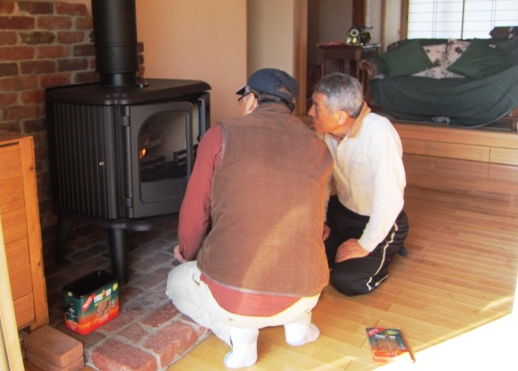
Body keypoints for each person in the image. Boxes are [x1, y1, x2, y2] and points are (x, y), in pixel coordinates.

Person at [166, 68, 333, 369]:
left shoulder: (220, 135)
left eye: (242, 99)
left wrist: (187, 252)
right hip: (307, 292)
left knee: (174, 284)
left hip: (235, 299)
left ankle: (236, 334)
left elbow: (196, 208)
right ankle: (299, 327)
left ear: (252, 100)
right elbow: (318, 221)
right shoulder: (319, 147)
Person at [308, 72, 409, 296]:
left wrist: (366, 244)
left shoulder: (379, 133)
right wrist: (321, 219)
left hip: (379, 218)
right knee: (305, 256)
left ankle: (387, 249)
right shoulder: (325, 133)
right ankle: (346, 242)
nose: (310, 112)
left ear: (341, 116)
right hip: (342, 212)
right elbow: (323, 182)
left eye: (316, 107)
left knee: (347, 281)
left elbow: (390, 198)